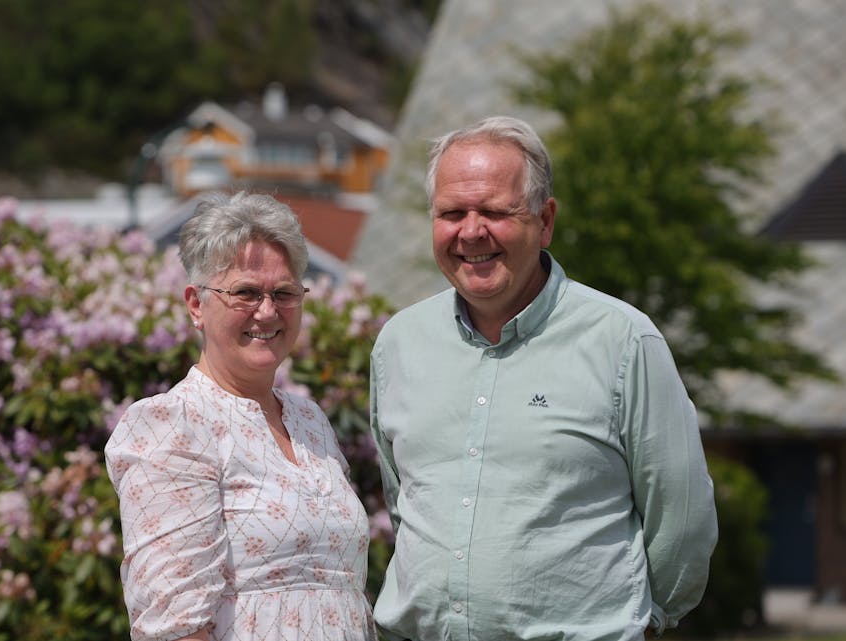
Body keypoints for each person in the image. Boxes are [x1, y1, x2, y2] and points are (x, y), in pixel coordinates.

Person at [368, 116, 718, 641]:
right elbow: (405, 505)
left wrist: (649, 620)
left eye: (494, 211)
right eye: (451, 213)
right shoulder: (398, 344)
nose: (470, 231)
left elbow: (682, 515)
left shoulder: (623, 341)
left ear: (544, 219)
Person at [105, 191, 376, 641]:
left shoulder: (310, 421)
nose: (267, 311)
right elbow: (175, 628)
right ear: (196, 304)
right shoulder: (173, 424)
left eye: (284, 293)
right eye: (246, 292)